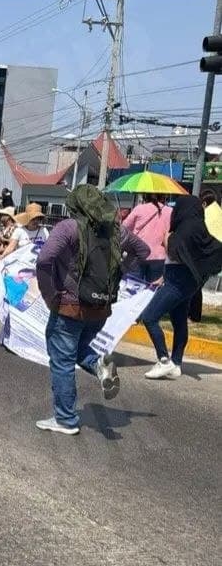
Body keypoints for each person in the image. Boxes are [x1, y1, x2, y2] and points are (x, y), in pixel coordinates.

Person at [35, 185, 149, 435]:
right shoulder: (118, 231)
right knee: (78, 351)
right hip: (100, 308)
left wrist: (50, 294)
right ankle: (99, 364)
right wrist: (119, 273)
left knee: (62, 361)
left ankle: (65, 419)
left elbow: (44, 260)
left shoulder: (69, 227)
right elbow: (144, 251)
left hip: (69, 306)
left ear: (75, 205)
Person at [139, 195, 222, 380]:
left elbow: (175, 252)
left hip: (178, 282)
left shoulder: (186, 229)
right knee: (179, 322)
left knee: (149, 317)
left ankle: (164, 360)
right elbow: (181, 260)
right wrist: (162, 277)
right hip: (182, 280)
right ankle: (176, 363)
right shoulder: (195, 227)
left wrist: (167, 238)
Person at [122, 194, 173, 283]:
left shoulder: (139, 209)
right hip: (160, 257)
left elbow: (124, 228)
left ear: (146, 196)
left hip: (138, 254)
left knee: (132, 288)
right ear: (163, 197)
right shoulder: (170, 211)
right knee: (153, 290)